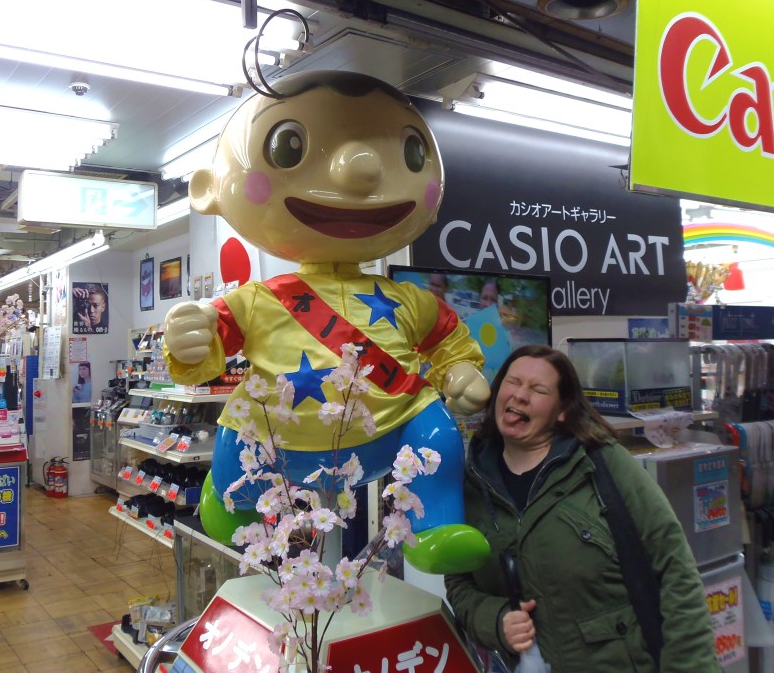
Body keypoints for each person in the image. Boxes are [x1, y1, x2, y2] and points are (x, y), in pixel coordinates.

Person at [162, 70, 492, 574]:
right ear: (212, 190)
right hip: (278, 444)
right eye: (289, 147)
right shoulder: (256, 300)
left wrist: (460, 370)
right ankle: (231, 499)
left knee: (438, 433)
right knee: (238, 436)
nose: (359, 169)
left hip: (390, 435)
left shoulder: (410, 300)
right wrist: (191, 340)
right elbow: (209, 351)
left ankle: (435, 527)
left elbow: (447, 339)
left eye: (407, 154)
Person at [444, 344, 719, 672]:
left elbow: (674, 565)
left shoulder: (603, 464)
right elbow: (459, 582)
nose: (520, 395)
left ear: (562, 410)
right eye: (512, 382)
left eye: (538, 389)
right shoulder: (472, 484)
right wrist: (495, 620)